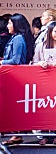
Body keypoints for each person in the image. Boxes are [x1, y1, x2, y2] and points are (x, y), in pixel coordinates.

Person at [32, 21, 56, 145]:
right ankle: (44, 135)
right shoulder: (40, 46)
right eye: (55, 31)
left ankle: (55, 134)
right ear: (50, 32)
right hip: (43, 82)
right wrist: (40, 63)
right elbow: (34, 62)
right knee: (44, 109)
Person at [0, 13, 34, 146]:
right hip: (13, 75)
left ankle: (16, 134)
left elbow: (16, 60)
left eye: (9, 23)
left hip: (15, 76)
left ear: (16, 25)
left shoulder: (18, 38)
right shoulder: (15, 37)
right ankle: (16, 133)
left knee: (14, 105)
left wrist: (2, 63)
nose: (7, 26)